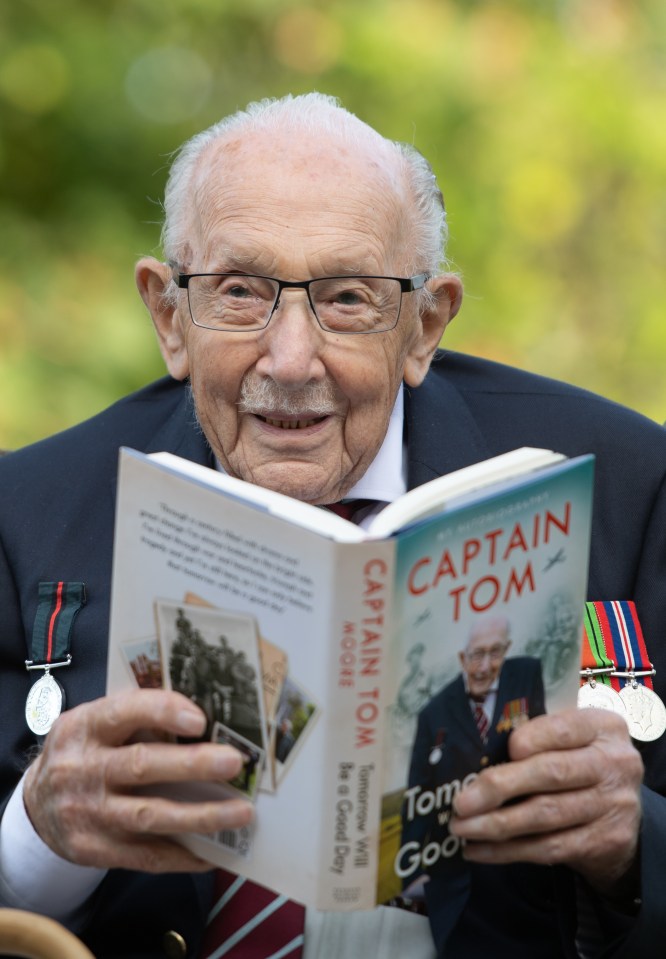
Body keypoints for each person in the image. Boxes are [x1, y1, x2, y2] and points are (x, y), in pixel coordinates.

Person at [0, 92, 665, 959]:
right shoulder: (24, 511)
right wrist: (35, 836)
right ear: (170, 317)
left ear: (424, 325)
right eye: (239, 291)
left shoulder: (628, 483)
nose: (289, 358)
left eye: (347, 297)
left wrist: (629, 844)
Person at [400, 618, 546, 939]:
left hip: (534, 881)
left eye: (495, 653)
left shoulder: (527, 673)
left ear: (507, 651)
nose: (484, 667)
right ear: (461, 659)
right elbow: (417, 791)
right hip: (454, 894)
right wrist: (409, 874)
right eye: (475, 655)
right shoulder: (433, 713)